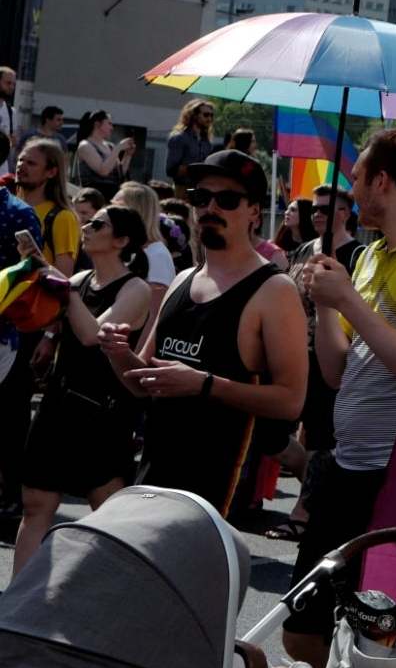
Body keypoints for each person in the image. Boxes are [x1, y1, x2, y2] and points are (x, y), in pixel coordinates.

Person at [281, 129, 396, 668]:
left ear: (382, 180)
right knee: (301, 627)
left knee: (377, 636)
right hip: (347, 463)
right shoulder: (370, 255)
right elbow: (338, 371)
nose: (352, 190)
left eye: (357, 177)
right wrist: (325, 307)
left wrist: (348, 304)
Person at [107, 151, 308, 519]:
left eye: (227, 199)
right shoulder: (182, 279)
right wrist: (116, 351)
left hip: (215, 494)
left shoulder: (274, 290)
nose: (210, 207)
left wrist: (204, 384)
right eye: (200, 197)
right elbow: (143, 383)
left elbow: (291, 402)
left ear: (254, 212)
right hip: (154, 478)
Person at [8, 205, 150, 579]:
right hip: (59, 403)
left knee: (108, 516)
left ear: (121, 241)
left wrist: (63, 291)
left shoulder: (135, 288)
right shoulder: (82, 278)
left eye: (97, 224)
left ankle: (105, 604)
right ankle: (18, 603)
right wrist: (36, 269)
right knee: (36, 504)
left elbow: (93, 337)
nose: (86, 227)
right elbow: (53, 310)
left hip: (101, 413)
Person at [13, 137, 76, 271]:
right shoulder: (8, 206)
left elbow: (64, 277)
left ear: (51, 172)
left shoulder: (62, 217)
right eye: (20, 160)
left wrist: (35, 260)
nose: (21, 165)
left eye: (31, 163)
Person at [72, 111, 134, 188]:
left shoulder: (110, 146)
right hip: (93, 195)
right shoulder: (85, 145)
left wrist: (128, 155)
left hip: (111, 194)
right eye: (109, 124)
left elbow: (120, 173)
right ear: (97, 124)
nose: (112, 128)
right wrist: (118, 148)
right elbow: (103, 171)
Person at [164, 99, 216, 182]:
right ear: (194, 115)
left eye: (211, 115)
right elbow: (171, 170)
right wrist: (196, 169)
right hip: (182, 188)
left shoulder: (207, 142)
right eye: (206, 115)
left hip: (201, 188)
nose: (209, 118)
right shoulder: (179, 138)